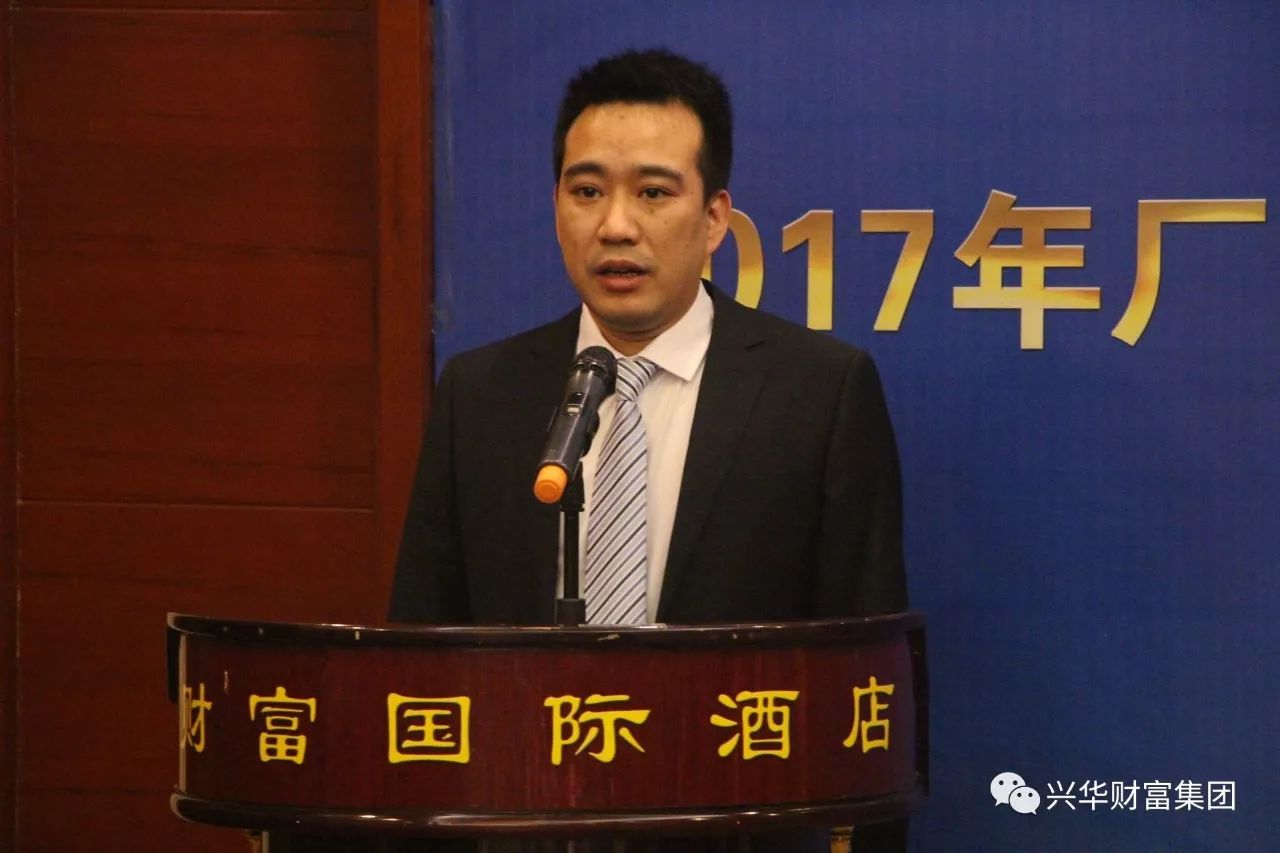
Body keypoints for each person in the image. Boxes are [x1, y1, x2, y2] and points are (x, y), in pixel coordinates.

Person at [390, 49, 908, 853]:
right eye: (587, 191)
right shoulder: (480, 393)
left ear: (715, 218)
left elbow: (867, 680)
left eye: (654, 193)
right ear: (556, 206)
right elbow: (421, 653)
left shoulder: (819, 392)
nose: (616, 225)